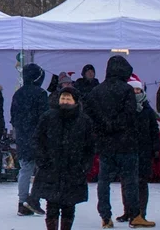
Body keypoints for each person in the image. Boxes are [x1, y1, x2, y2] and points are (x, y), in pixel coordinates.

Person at [84, 55, 152, 228]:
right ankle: (135, 215)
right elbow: (130, 116)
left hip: (105, 143)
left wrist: (103, 128)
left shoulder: (96, 91)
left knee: (103, 182)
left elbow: (89, 115)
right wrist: (116, 126)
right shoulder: (126, 90)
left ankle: (105, 217)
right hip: (126, 143)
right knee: (130, 181)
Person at [34, 87, 93, 230]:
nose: (65, 101)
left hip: (73, 169)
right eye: (63, 98)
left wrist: (84, 165)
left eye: (68, 99)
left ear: (75, 102)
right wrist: (42, 161)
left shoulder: (84, 121)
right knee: (52, 206)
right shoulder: (48, 117)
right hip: (51, 168)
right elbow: (38, 140)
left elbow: (90, 146)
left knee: (69, 206)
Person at [117, 75, 160, 225]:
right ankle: (128, 211)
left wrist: (156, 149)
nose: (136, 92)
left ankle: (141, 212)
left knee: (141, 182)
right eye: (133, 90)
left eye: (138, 89)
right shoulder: (123, 109)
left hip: (143, 151)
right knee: (126, 182)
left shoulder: (147, 111)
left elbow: (154, 131)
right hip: (127, 150)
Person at [11, 63, 48, 216]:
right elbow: (44, 117)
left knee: (25, 170)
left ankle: (22, 202)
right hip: (37, 137)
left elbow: (13, 117)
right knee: (42, 170)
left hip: (23, 136)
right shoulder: (40, 93)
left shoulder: (18, 94)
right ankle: (33, 199)